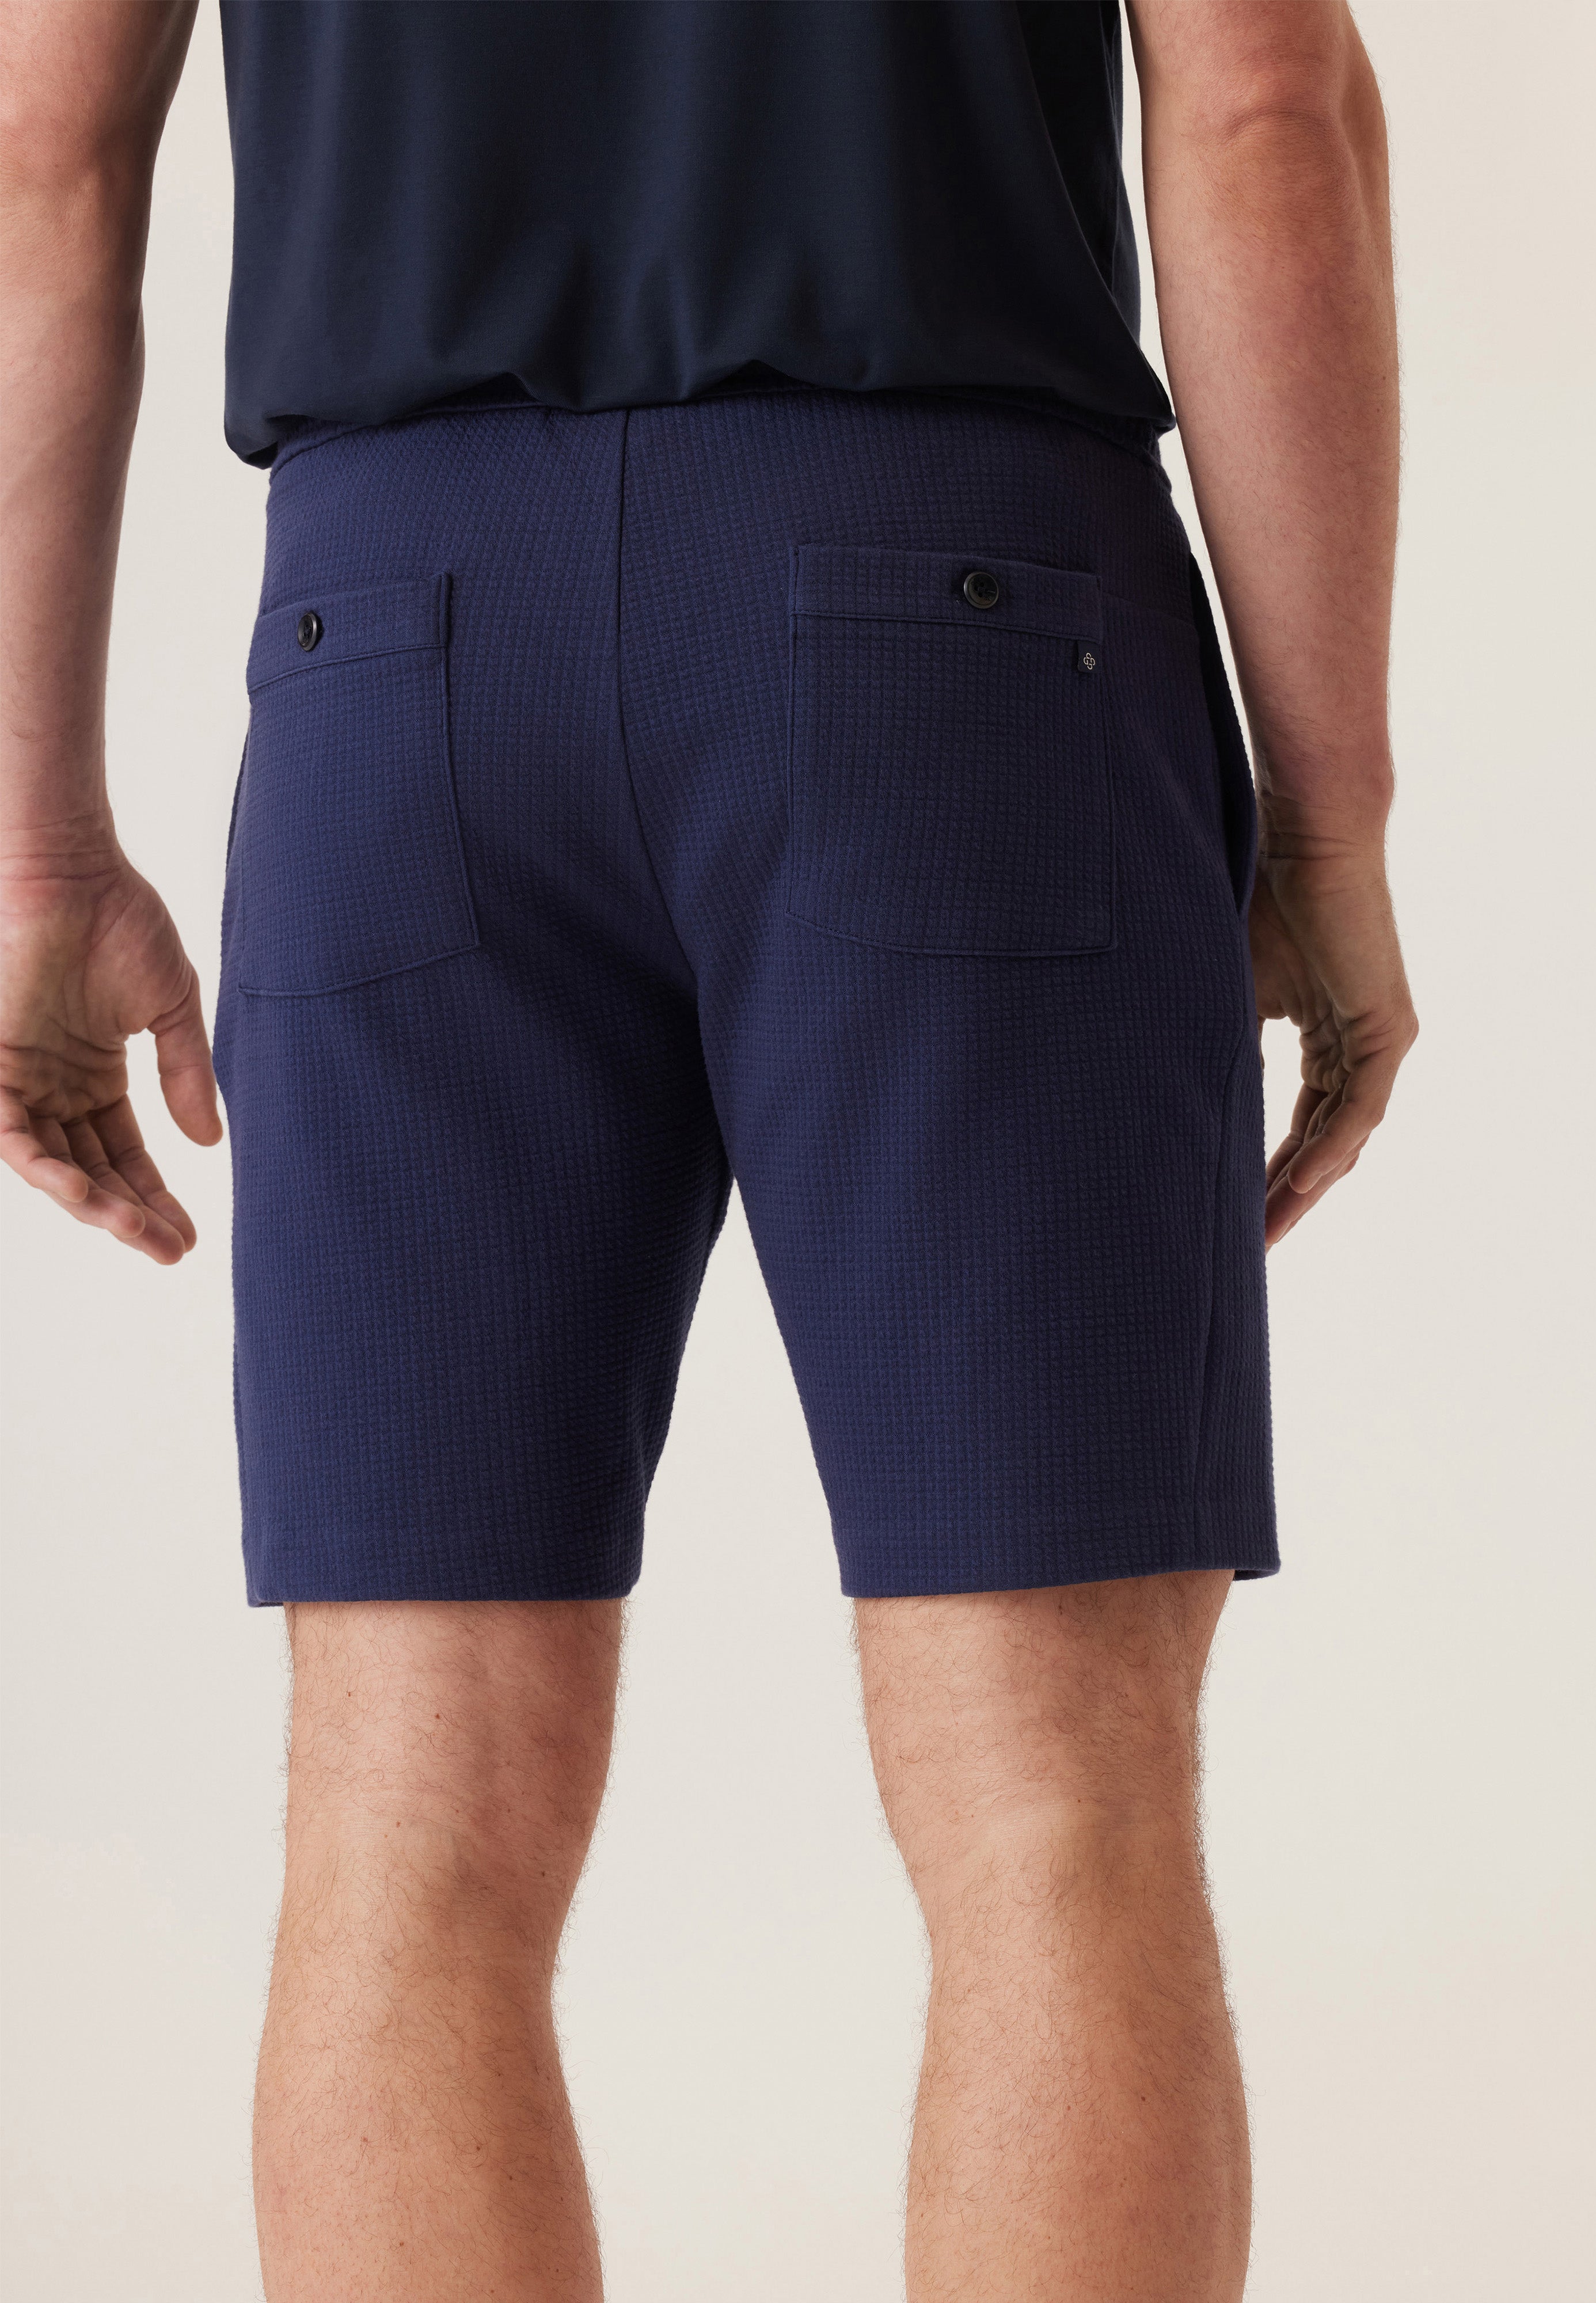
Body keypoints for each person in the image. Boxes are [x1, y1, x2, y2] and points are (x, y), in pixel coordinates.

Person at [0, 2, 1414, 2294]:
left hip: (397, 648)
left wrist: (36, 845)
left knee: (412, 1814)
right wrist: (1329, 818)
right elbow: (1261, 99)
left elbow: (37, 152)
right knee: (1046, 1798)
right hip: (960, 630)